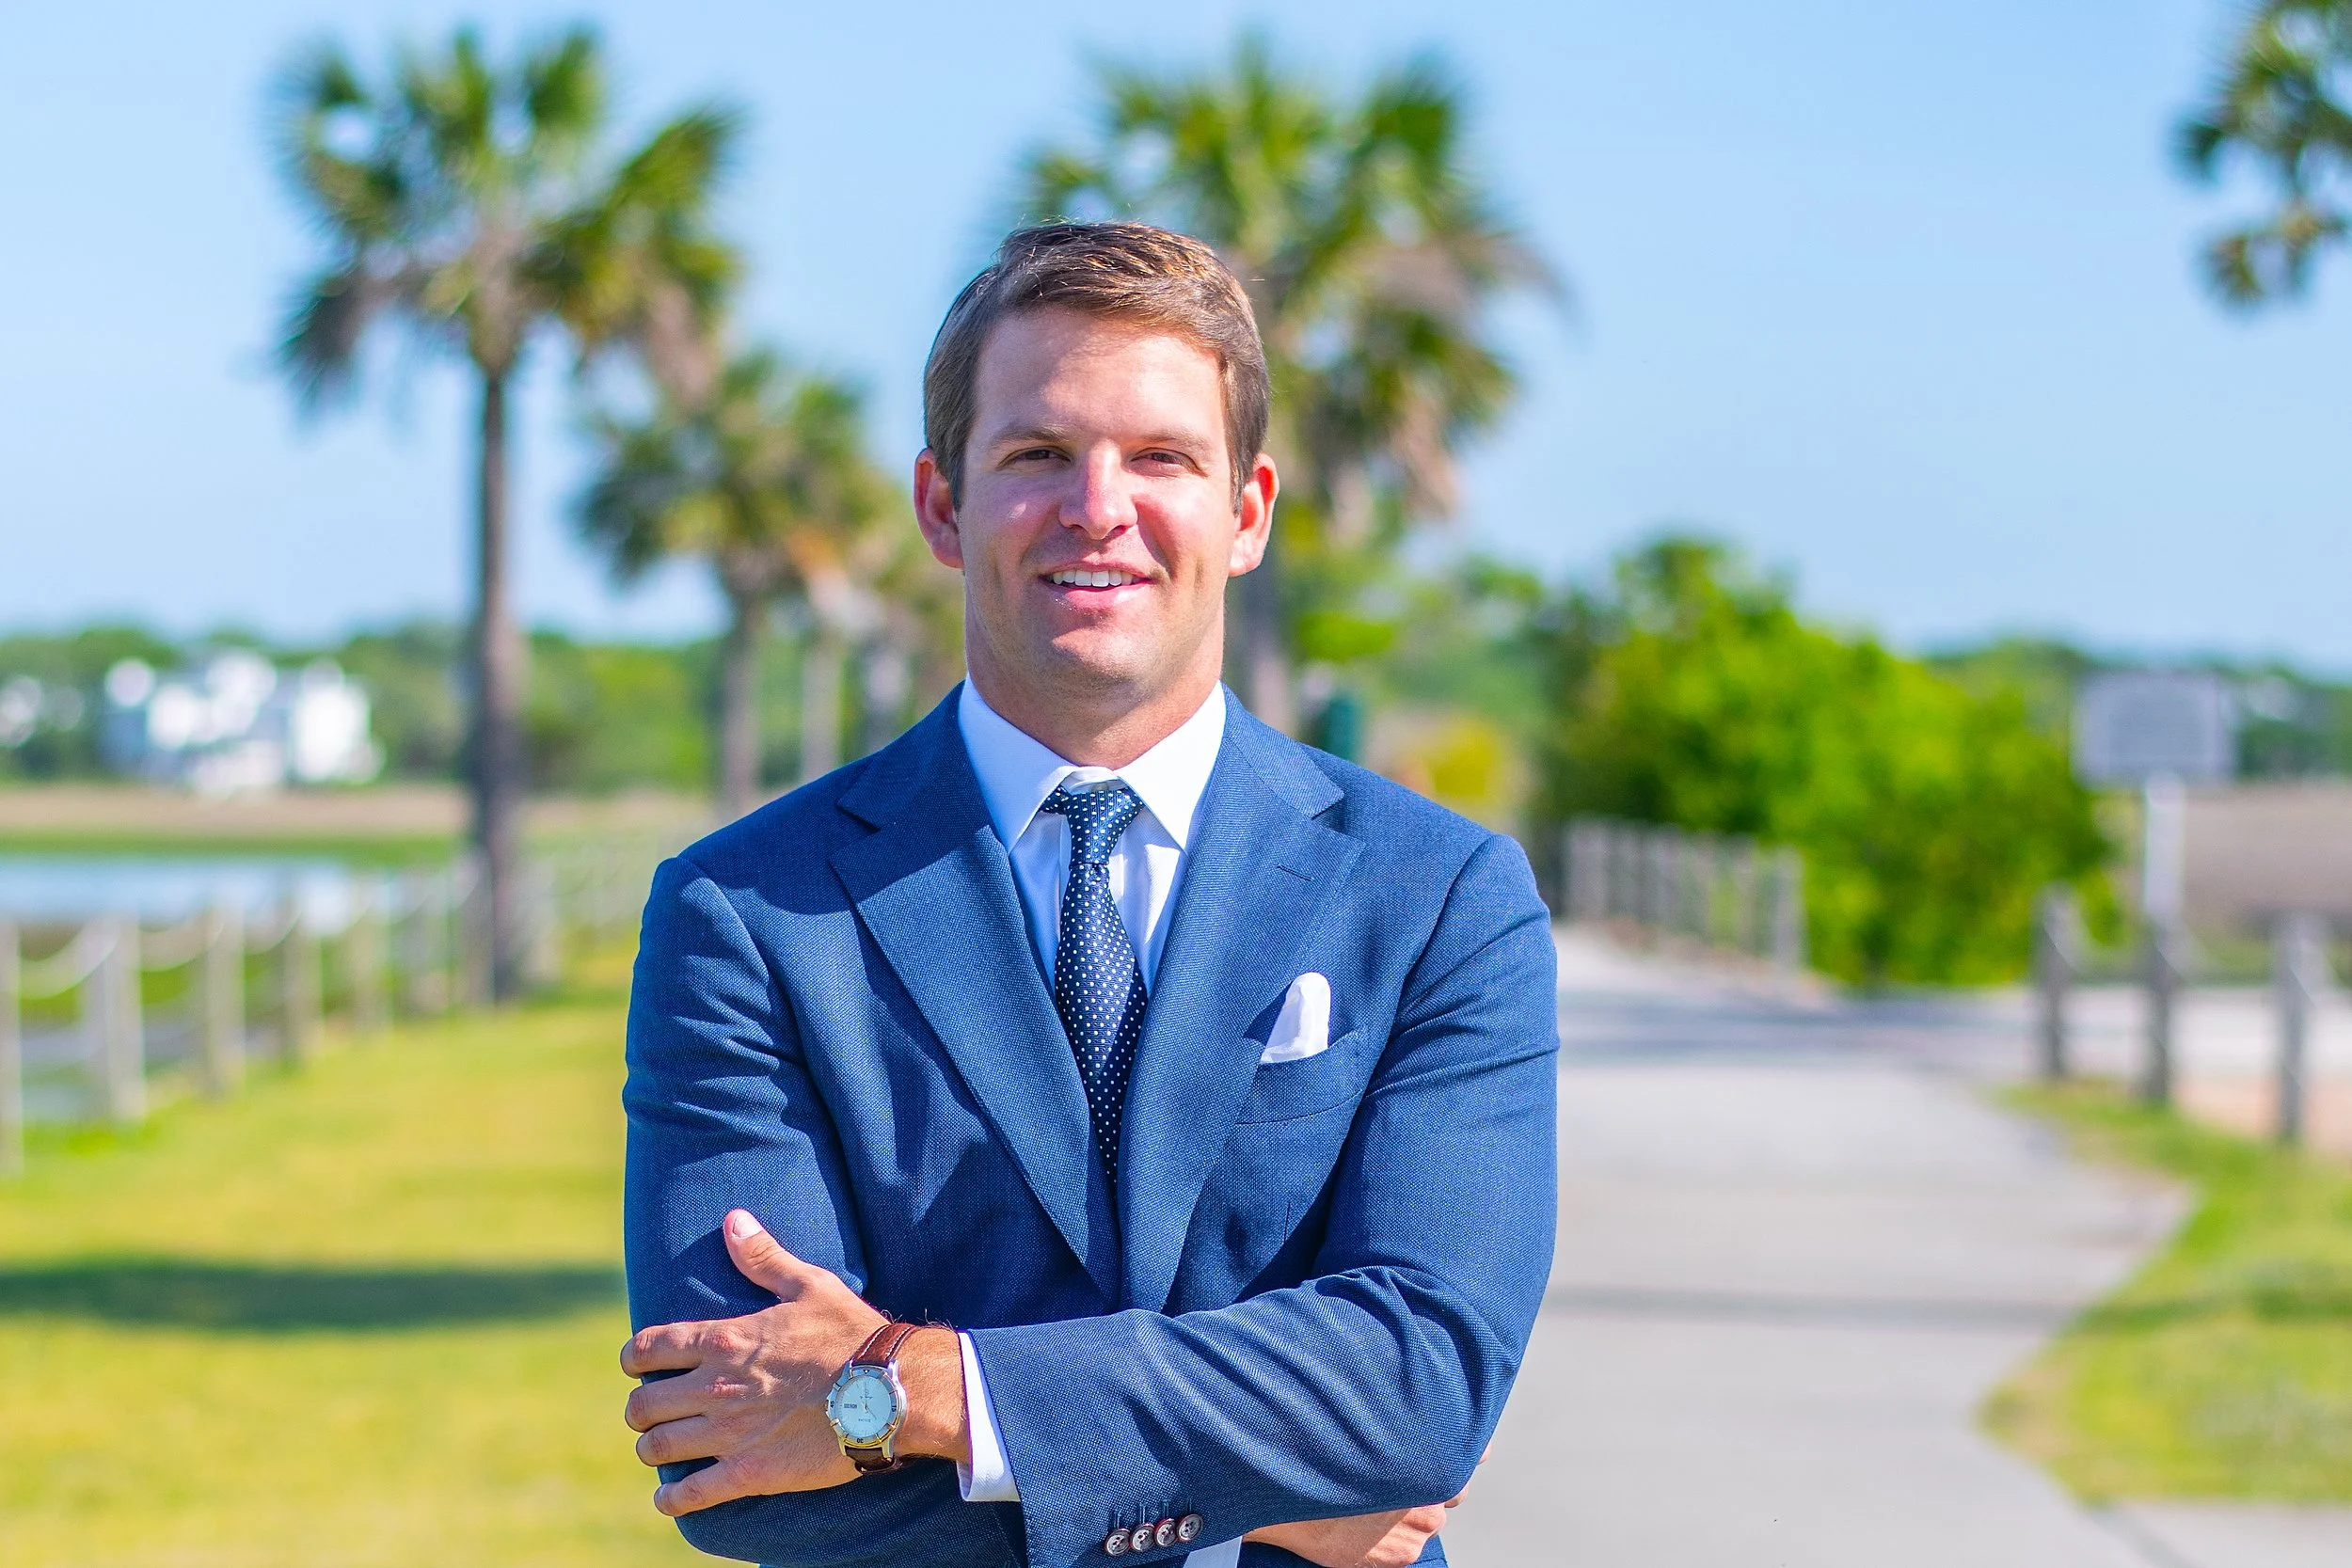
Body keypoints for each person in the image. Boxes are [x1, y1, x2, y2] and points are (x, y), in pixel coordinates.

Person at [618, 222, 1557, 1568]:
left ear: (1248, 512)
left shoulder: (1440, 897)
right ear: (942, 507)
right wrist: (1273, 1487)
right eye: (1038, 454)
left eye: (1162, 457)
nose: (1098, 507)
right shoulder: (748, 912)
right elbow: (736, 1455)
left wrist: (916, 1390)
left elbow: (1421, 1390)